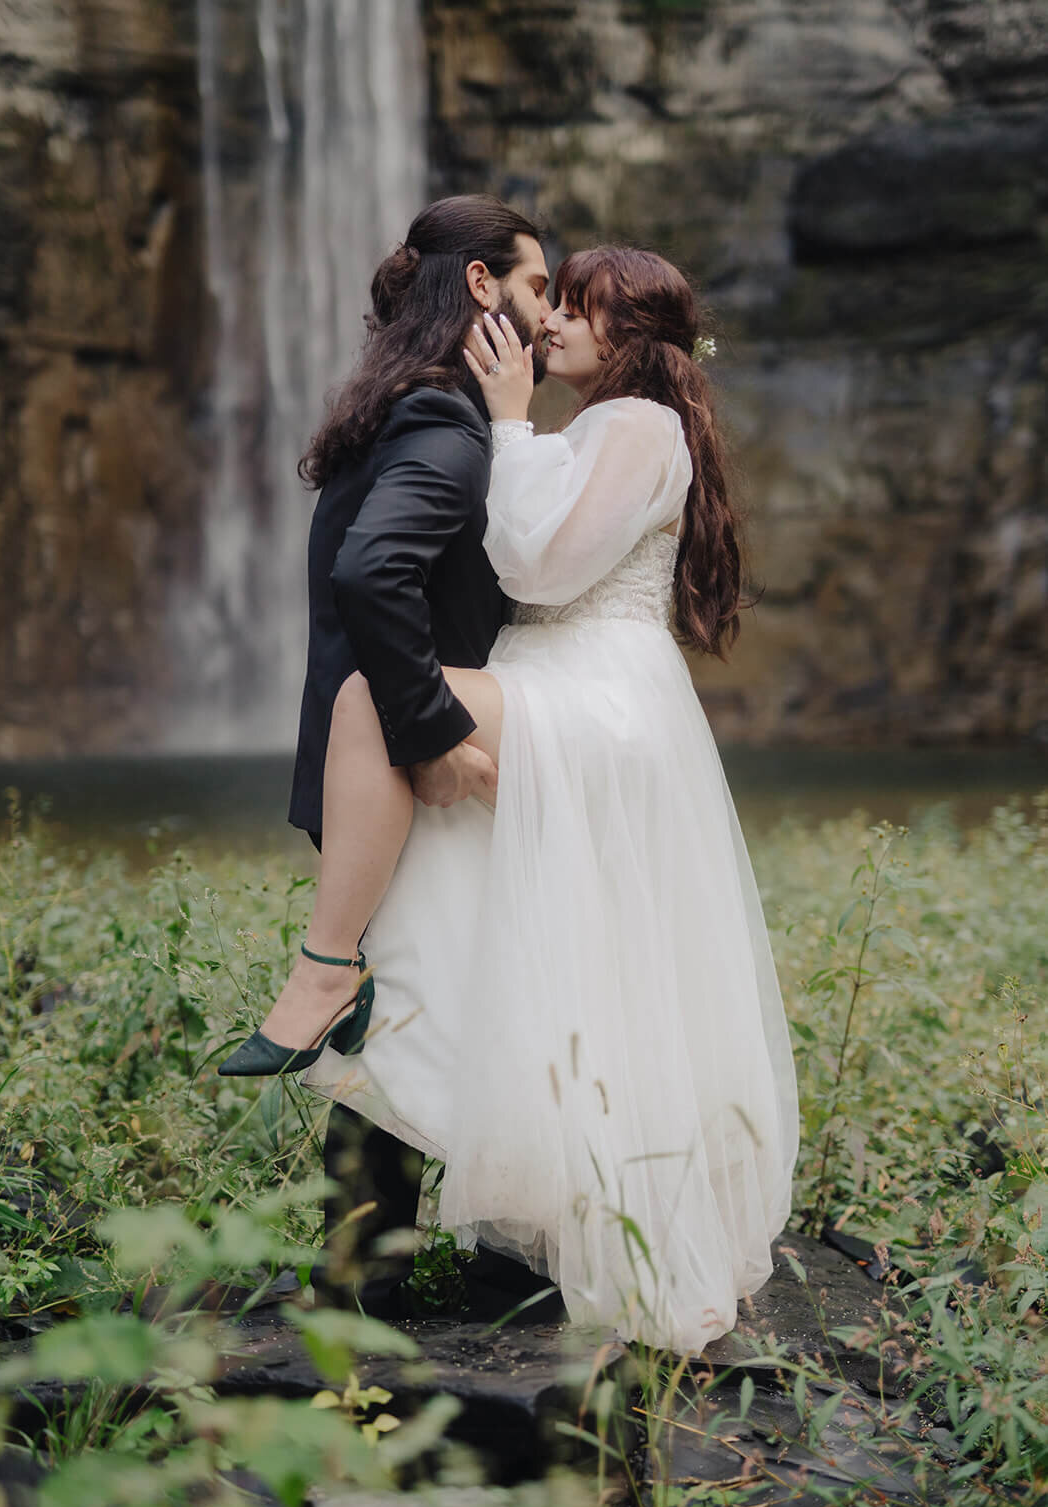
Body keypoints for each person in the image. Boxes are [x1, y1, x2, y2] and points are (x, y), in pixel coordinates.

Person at [225, 214, 801, 1352]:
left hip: (593, 695)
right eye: (552, 294)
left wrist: (504, 423)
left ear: (626, 331)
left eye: (575, 305)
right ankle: (469, 1205)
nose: (549, 322)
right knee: (517, 937)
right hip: (564, 685)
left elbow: (541, 563)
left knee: (369, 705)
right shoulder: (608, 425)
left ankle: (324, 966)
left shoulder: (632, 424)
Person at [217, 194, 556, 1316]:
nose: (546, 315)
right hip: (407, 755)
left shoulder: (405, 406)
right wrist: (436, 733)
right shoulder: (446, 428)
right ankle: (445, 1266)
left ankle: (373, 1267)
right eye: (536, 286)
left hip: (366, 753)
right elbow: (373, 578)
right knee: (447, 985)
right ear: (478, 286)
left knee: (420, 983)